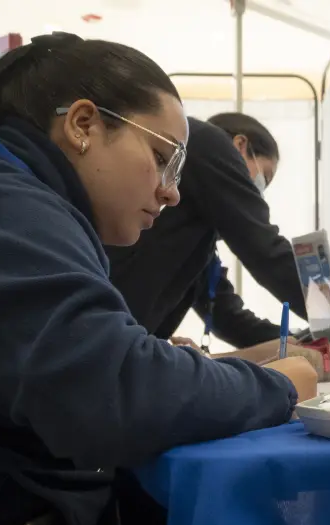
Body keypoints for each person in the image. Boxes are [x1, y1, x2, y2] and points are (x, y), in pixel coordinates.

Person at [0, 33, 316, 525]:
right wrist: (282, 383)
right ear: (83, 124)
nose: (171, 192)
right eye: (162, 159)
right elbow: (111, 393)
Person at [105, 112, 307, 353]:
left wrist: (303, 340)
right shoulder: (211, 143)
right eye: (265, 176)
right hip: (107, 335)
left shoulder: (195, 239)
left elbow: (226, 317)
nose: (257, 190)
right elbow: (265, 249)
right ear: (240, 145)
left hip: (121, 343)